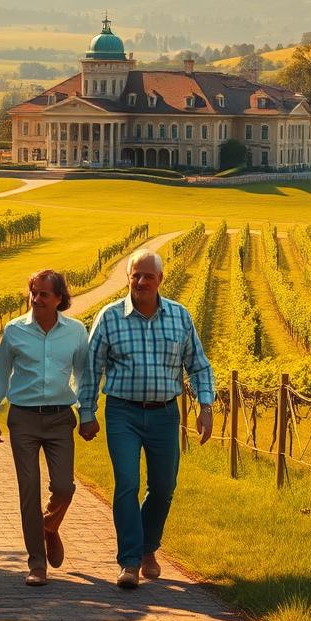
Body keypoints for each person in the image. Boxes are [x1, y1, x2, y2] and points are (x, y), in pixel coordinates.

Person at [78, 249, 214, 589]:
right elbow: (91, 370)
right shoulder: (109, 318)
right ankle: (129, 562)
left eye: (147, 276)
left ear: (160, 280)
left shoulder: (180, 317)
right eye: (135, 275)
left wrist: (205, 406)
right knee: (127, 483)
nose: (140, 281)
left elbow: (198, 365)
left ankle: (148, 549)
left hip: (166, 413)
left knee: (164, 487)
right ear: (128, 278)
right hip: (122, 411)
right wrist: (87, 412)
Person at [0, 270, 91, 586]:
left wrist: (87, 414)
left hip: (60, 418)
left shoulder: (75, 331)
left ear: (60, 298)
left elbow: (83, 376)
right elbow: (0, 375)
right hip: (24, 419)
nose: (37, 299)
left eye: (44, 294)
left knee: (64, 487)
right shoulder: (15, 330)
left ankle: (48, 526)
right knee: (28, 489)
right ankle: (37, 564)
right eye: (33, 292)